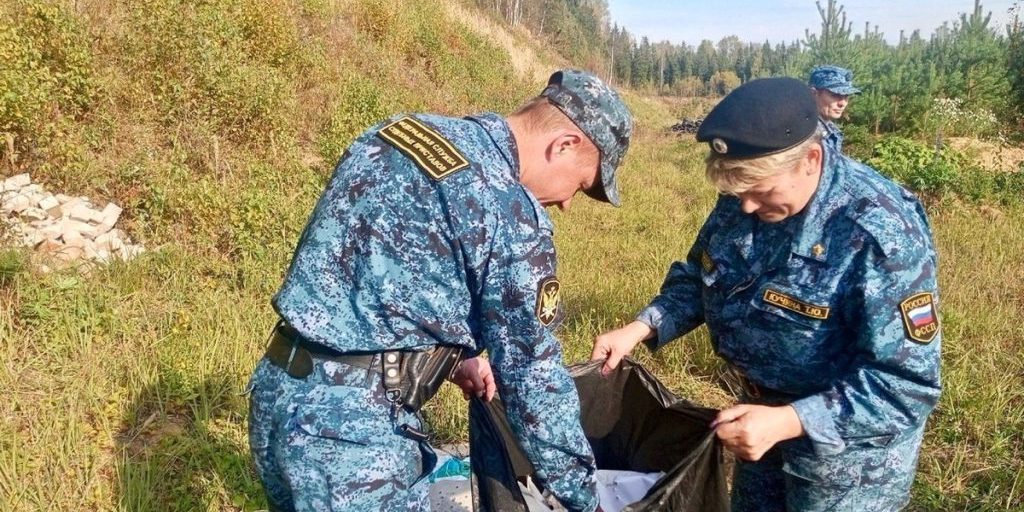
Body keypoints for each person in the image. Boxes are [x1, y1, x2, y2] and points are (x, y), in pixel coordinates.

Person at [247, 69, 632, 512]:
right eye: (581, 185)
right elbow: (533, 380)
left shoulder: (402, 131)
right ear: (564, 144)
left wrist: (452, 357)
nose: (567, 202)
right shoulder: (509, 210)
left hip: (277, 395)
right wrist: (586, 499)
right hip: (352, 441)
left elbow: (378, 275)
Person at [591, 77, 941, 511]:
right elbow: (702, 277)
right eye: (737, 193)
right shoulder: (747, 195)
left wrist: (791, 420)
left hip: (847, 465)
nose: (747, 209)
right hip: (759, 425)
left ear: (810, 160)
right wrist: (642, 327)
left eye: (760, 192)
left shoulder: (878, 232)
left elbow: (907, 386)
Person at [809, 65, 860, 153]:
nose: (842, 103)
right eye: (835, 95)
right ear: (814, 94)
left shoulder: (830, 130)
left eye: (846, 96)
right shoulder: (805, 133)